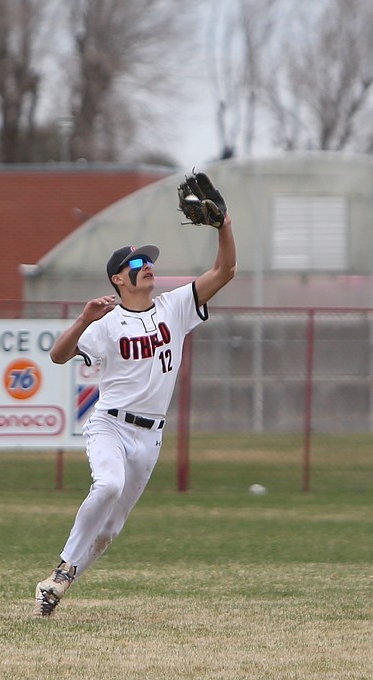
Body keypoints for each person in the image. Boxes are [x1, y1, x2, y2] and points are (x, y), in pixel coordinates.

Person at [35, 210, 236, 617]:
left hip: (150, 437)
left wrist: (224, 225)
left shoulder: (174, 307)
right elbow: (57, 356)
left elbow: (225, 270)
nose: (148, 268)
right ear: (117, 279)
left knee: (109, 531)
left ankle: (56, 589)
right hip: (110, 423)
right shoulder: (107, 323)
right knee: (107, 484)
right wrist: (84, 319)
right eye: (138, 264)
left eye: (149, 262)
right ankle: (63, 568)